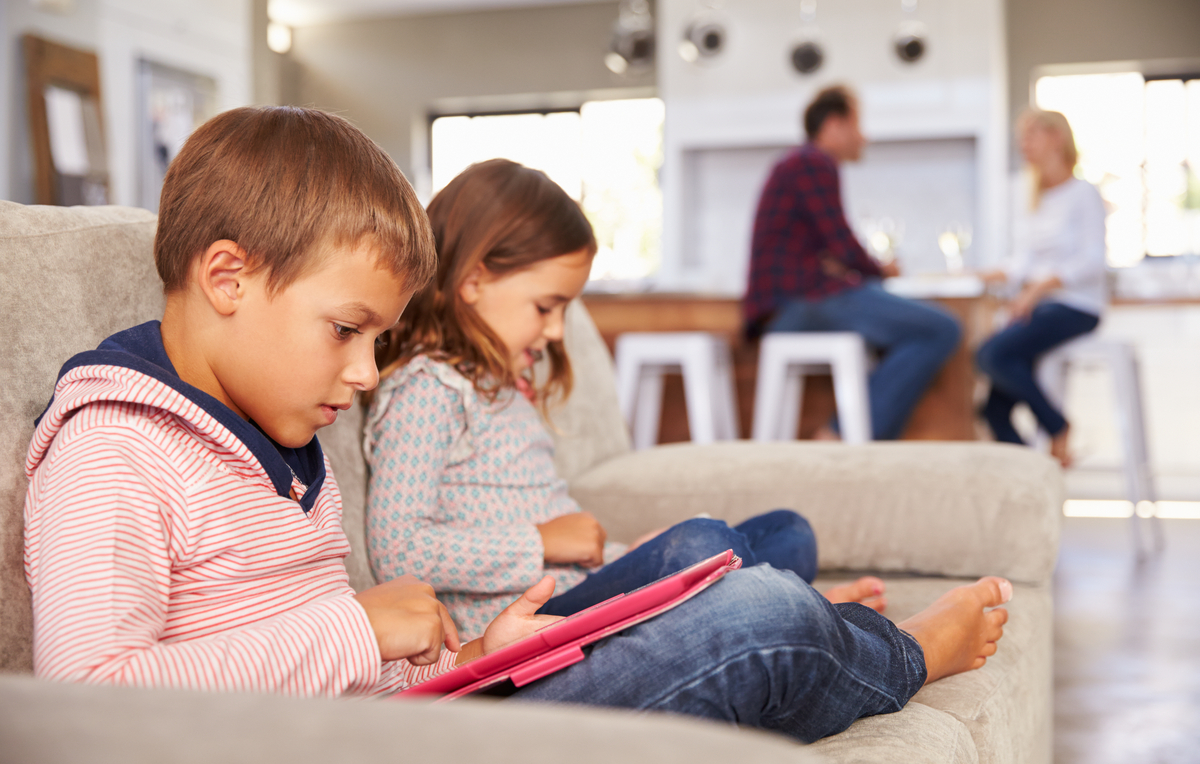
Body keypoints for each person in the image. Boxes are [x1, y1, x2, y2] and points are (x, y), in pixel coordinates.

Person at [23, 105, 1011, 745]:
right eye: (348, 331)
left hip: (423, 712)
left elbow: (327, 653)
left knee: (752, 595)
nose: (366, 371)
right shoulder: (114, 449)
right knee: (762, 619)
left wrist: (468, 657)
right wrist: (357, 623)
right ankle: (904, 652)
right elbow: (91, 700)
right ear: (228, 276)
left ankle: (848, 640)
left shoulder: (264, 423)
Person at [364, 158, 886, 639]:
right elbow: (398, 550)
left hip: (583, 585)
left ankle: (772, 605)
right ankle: (782, 607)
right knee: (700, 546)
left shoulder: (502, 388)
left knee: (788, 532)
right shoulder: (427, 389)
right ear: (474, 281)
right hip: (531, 622)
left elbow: (569, 545)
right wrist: (541, 543)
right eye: (546, 307)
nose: (555, 331)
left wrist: (626, 555)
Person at [743, 85, 961, 440]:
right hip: (801, 303)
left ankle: (851, 436)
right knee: (942, 328)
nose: (864, 137)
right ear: (833, 125)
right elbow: (843, 245)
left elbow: (829, 250)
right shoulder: (813, 162)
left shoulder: (794, 163)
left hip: (787, 306)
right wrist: (882, 269)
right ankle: (841, 435)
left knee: (904, 330)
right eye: (858, 125)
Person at [976, 109, 1106, 466]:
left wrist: (1036, 290)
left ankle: (1058, 426)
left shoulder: (1083, 194)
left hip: (1075, 306)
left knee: (990, 355)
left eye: (1031, 136)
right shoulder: (1038, 198)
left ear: (1056, 138)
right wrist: (981, 275)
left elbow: (1093, 261)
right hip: (1040, 307)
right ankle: (1034, 473)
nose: (1024, 145)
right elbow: (1024, 263)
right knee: (992, 412)